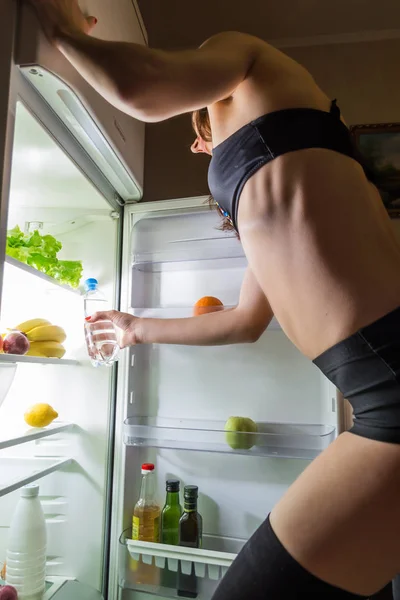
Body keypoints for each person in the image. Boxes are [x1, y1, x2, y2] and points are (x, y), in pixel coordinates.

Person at [27, 1, 400, 598]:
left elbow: (139, 87)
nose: (199, 144)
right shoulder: (295, 172)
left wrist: (59, 25)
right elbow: (245, 321)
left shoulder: (248, 58)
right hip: (380, 390)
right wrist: (134, 329)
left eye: (199, 130)